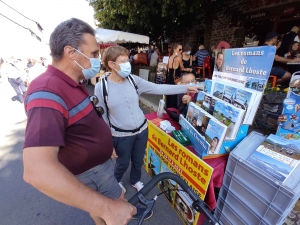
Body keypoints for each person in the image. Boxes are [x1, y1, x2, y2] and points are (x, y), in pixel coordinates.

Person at [23, 18, 140, 225]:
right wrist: (109, 208)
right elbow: (37, 170)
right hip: (93, 172)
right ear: (70, 52)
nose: (97, 59)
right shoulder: (47, 90)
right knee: (115, 207)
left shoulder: (71, 83)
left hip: (97, 167)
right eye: (94, 53)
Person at [94, 46, 198, 193]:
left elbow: (158, 88)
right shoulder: (101, 87)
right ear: (111, 64)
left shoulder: (133, 80)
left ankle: (135, 180)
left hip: (141, 130)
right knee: (122, 163)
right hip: (120, 135)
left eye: (127, 60)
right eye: (123, 61)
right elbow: (102, 116)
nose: (128, 63)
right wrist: (108, 142)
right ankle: (115, 181)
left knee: (138, 160)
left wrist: (185, 88)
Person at [166, 43, 193, 108]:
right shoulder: (178, 58)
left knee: (169, 95)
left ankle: (168, 109)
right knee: (174, 95)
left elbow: (168, 69)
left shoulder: (170, 58)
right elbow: (182, 68)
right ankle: (173, 110)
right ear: (175, 50)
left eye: (181, 50)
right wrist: (189, 69)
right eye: (180, 50)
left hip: (169, 78)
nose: (181, 51)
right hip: (175, 79)